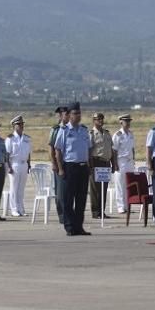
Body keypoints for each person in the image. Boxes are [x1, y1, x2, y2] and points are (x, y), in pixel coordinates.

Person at [54, 101, 92, 236]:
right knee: (68, 199)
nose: (78, 116)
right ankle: (70, 227)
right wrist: (60, 169)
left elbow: (88, 148)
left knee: (81, 200)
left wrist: (89, 166)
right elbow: (58, 151)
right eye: (75, 113)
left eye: (79, 113)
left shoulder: (84, 130)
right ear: (69, 115)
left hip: (82, 167)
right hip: (69, 167)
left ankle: (79, 227)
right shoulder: (64, 131)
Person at [88, 112, 117, 219]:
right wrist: (90, 166)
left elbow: (111, 150)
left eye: (101, 119)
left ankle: (102, 211)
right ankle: (96, 212)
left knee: (104, 187)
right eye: (97, 119)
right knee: (95, 189)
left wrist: (113, 164)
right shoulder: (91, 134)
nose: (100, 121)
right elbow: (89, 151)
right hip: (96, 162)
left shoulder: (107, 133)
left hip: (106, 162)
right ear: (94, 121)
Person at [5, 115, 32, 217]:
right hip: (14, 164)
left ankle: (21, 209)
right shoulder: (10, 138)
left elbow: (28, 153)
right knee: (14, 188)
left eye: (21, 124)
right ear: (14, 126)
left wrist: (29, 164)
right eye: (18, 124)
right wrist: (8, 167)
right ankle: (14, 209)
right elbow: (6, 154)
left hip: (24, 164)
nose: (21, 126)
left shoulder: (27, 138)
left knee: (21, 188)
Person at [49, 106, 69, 224]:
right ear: (61, 116)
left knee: (69, 191)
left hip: (70, 163)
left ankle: (69, 213)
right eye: (66, 114)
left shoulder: (72, 128)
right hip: (59, 164)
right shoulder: (56, 129)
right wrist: (54, 163)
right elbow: (51, 148)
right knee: (60, 192)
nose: (68, 116)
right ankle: (62, 215)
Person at [112, 114, 135, 214]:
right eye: (126, 121)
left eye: (129, 121)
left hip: (129, 162)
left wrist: (133, 160)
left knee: (128, 185)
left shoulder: (130, 134)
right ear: (121, 122)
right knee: (120, 185)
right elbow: (114, 151)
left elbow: (132, 148)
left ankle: (127, 205)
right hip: (120, 162)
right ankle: (120, 206)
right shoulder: (117, 135)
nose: (128, 123)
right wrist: (115, 164)